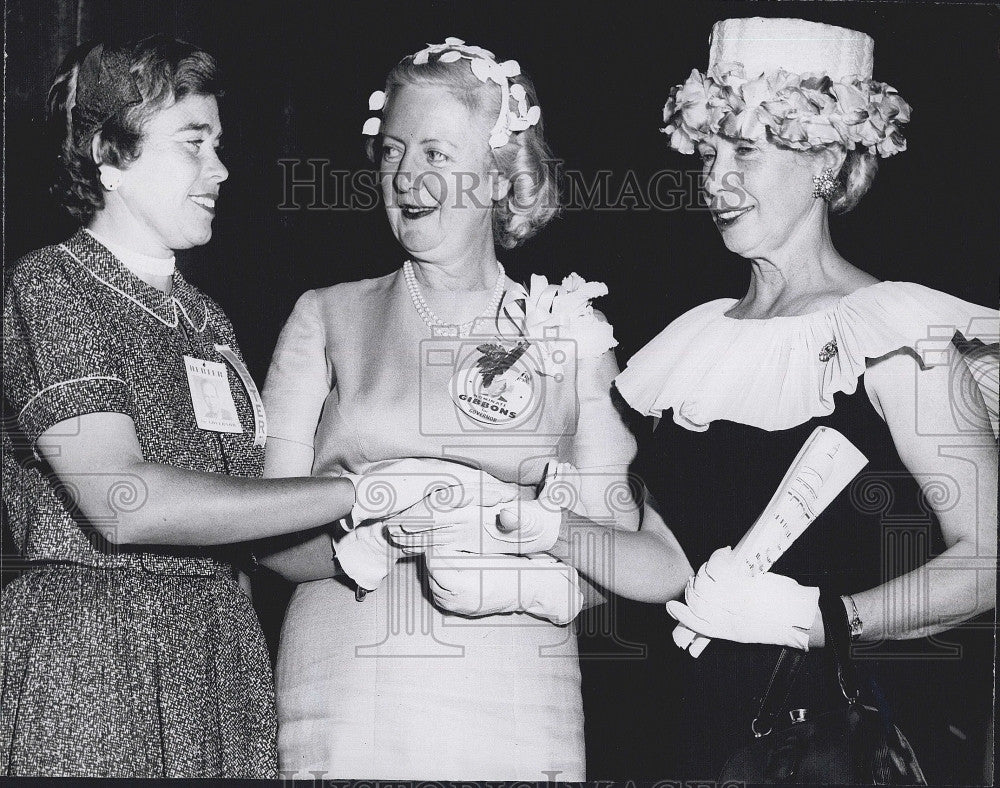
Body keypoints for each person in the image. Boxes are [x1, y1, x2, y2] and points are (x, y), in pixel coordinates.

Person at [1, 36, 479, 778]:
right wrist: (356, 490)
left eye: (219, 146)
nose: (220, 170)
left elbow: (247, 518)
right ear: (108, 154)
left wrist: (381, 543)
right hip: (96, 659)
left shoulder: (208, 321)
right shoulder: (54, 287)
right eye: (194, 144)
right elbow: (125, 502)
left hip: (220, 657)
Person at [260, 37, 690, 781]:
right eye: (392, 151)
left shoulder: (569, 332)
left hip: (515, 695)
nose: (406, 176)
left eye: (435, 153)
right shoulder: (325, 316)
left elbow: (638, 561)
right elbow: (266, 540)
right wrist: (371, 532)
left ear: (499, 178)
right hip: (348, 687)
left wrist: (535, 539)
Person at [615, 17, 998, 783]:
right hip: (687, 739)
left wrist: (822, 618)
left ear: (825, 159)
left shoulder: (896, 329)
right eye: (708, 150)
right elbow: (658, 555)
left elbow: (990, 558)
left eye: (745, 150)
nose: (715, 177)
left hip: (838, 750)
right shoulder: (687, 342)